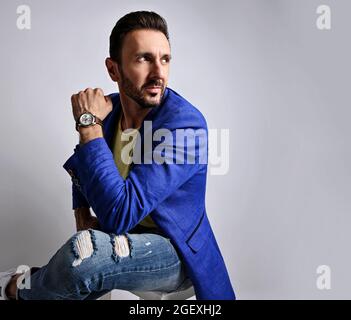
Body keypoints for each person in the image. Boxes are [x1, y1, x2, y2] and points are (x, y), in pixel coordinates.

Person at [0, 11, 235, 300]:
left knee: (84, 256)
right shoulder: (108, 113)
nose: (158, 72)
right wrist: (81, 211)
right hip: (124, 237)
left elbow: (119, 214)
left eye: (165, 59)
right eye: (143, 58)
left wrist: (88, 127)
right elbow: (83, 165)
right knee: (80, 264)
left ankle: (13, 289)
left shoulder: (184, 125)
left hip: (174, 251)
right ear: (114, 70)